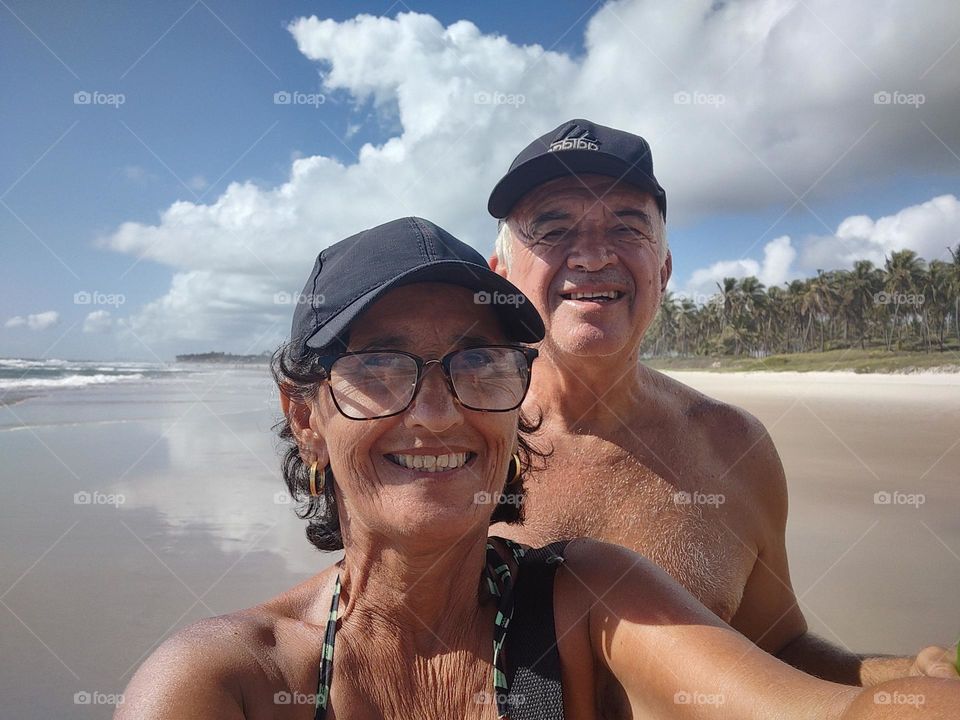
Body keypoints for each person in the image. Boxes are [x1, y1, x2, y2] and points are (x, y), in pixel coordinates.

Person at [117, 217, 959, 718]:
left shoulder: (588, 603)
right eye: (379, 364)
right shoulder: (228, 681)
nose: (437, 411)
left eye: (478, 363)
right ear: (303, 414)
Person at [486, 118, 959, 686]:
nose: (591, 255)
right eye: (554, 228)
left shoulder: (732, 446)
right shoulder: (453, 440)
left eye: (627, 227)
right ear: (502, 276)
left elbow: (775, 647)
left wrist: (905, 677)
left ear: (662, 272)